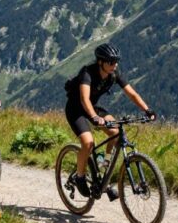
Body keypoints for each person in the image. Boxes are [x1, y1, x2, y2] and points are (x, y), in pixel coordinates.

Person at [64, 43, 156, 200]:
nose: (115, 65)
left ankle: (104, 165)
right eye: (111, 62)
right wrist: (94, 117)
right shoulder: (87, 73)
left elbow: (131, 93)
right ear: (101, 62)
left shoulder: (114, 74)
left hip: (93, 108)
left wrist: (147, 110)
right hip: (76, 109)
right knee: (88, 143)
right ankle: (80, 177)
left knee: (115, 132)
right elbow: (83, 99)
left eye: (116, 61)